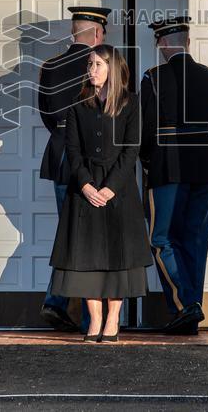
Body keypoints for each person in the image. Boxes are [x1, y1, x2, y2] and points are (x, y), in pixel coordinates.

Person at [48, 44, 152, 342]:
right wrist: (85, 185)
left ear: (112, 68)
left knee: (118, 254)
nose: (91, 70)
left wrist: (109, 188)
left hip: (118, 189)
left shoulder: (131, 103)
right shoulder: (78, 104)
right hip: (84, 189)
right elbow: (72, 150)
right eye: (89, 64)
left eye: (97, 64)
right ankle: (94, 320)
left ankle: (113, 320)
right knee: (85, 256)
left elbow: (131, 150)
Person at [139, 16, 208, 335]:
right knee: (195, 239)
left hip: (169, 162)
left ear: (163, 42)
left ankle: (185, 305)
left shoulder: (153, 77)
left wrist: (147, 161)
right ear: (187, 42)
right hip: (206, 163)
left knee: (162, 238)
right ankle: (192, 306)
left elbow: (145, 128)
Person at [37, 6, 110, 332]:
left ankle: (58, 301)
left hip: (60, 152)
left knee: (72, 232)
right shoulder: (100, 65)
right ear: (97, 33)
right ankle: (84, 315)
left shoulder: (50, 66)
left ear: (73, 31)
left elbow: (46, 114)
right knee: (88, 237)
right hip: (89, 155)